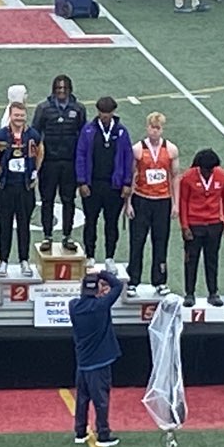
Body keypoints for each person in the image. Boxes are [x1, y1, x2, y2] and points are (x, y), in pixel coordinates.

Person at [75, 97, 134, 274]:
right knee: (90, 221)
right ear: (98, 112)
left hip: (114, 187)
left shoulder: (122, 132)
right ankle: (90, 255)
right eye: (102, 112)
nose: (105, 116)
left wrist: (127, 182)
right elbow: (81, 155)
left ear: (113, 112)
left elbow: (127, 158)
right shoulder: (88, 131)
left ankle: (110, 257)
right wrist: (82, 181)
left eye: (108, 113)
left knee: (111, 223)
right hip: (92, 185)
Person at [126, 113, 180, 299]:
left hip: (162, 201)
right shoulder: (138, 149)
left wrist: (175, 204)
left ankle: (160, 280)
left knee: (160, 242)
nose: (154, 131)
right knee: (137, 241)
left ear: (162, 130)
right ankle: (133, 280)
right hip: (142, 199)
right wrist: (128, 203)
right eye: (151, 128)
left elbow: (175, 177)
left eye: (158, 128)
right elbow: (131, 176)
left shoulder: (171, 150)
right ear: (147, 128)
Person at [0, 101, 44, 278]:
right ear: (10, 116)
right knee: (4, 226)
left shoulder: (33, 135)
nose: (19, 118)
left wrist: (35, 172)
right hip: (6, 188)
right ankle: (3, 260)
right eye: (16, 115)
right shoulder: (0, 135)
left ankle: (23, 260)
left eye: (21, 115)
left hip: (25, 188)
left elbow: (40, 153)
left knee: (24, 226)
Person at [69, 270, 124, 447]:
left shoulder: (74, 306)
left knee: (82, 399)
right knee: (101, 400)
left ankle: (80, 431)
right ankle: (103, 434)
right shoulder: (101, 306)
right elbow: (118, 285)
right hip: (99, 362)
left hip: (82, 362)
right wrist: (101, 273)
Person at [33, 75, 86, 253]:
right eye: (58, 88)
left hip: (69, 163)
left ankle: (67, 235)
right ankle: (47, 235)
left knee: (68, 200)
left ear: (70, 89)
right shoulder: (44, 108)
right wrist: (36, 162)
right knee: (47, 199)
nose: (61, 91)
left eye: (64, 88)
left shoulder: (78, 109)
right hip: (49, 163)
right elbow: (35, 134)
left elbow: (83, 135)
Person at [178, 148, 224, 308]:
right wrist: (184, 226)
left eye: (211, 169)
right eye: (206, 169)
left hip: (214, 224)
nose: (209, 172)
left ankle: (213, 292)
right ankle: (189, 293)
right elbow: (183, 202)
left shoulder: (223, 177)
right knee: (191, 260)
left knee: (212, 260)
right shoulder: (187, 178)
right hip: (195, 225)